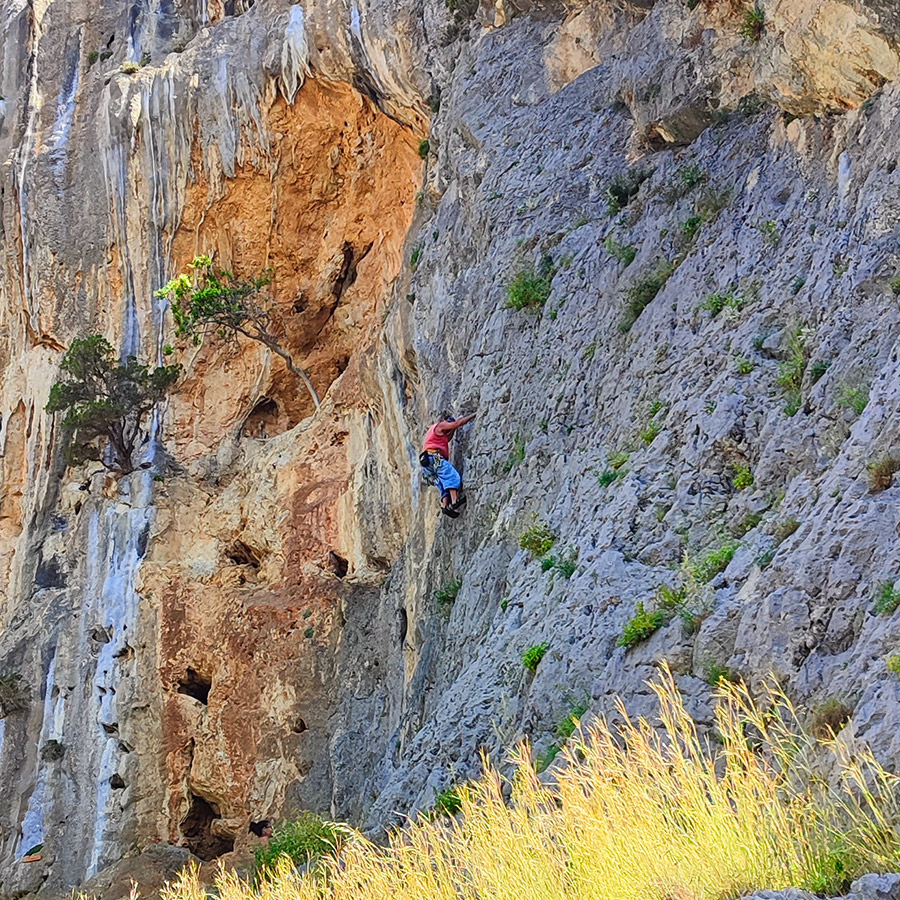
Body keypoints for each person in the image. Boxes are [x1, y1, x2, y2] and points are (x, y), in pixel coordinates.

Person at [421, 413, 475, 517]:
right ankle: (454, 501)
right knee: (450, 474)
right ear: (444, 420)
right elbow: (458, 423)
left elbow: (447, 438)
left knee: (441, 482)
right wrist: (473, 415)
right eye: (449, 423)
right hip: (434, 456)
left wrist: (453, 429)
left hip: (426, 462)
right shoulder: (440, 425)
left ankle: (446, 506)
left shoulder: (435, 433)